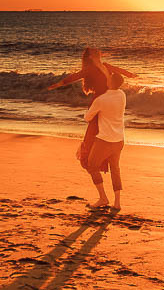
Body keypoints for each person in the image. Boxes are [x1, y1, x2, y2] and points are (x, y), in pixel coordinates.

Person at [46, 48, 136, 172]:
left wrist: (129, 74)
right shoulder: (90, 69)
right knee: (94, 131)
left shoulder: (105, 66)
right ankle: (90, 160)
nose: (98, 55)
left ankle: (103, 160)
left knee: (106, 130)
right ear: (90, 57)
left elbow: (118, 70)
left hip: (109, 100)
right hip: (98, 102)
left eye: (97, 53)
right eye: (95, 53)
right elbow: (75, 76)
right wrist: (59, 84)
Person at [83, 72, 127, 209]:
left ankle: (103, 198)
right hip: (119, 139)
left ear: (110, 82)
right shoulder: (122, 95)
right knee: (115, 169)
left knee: (92, 166)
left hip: (104, 140)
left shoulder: (101, 100)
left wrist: (89, 111)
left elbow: (87, 118)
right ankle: (117, 203)